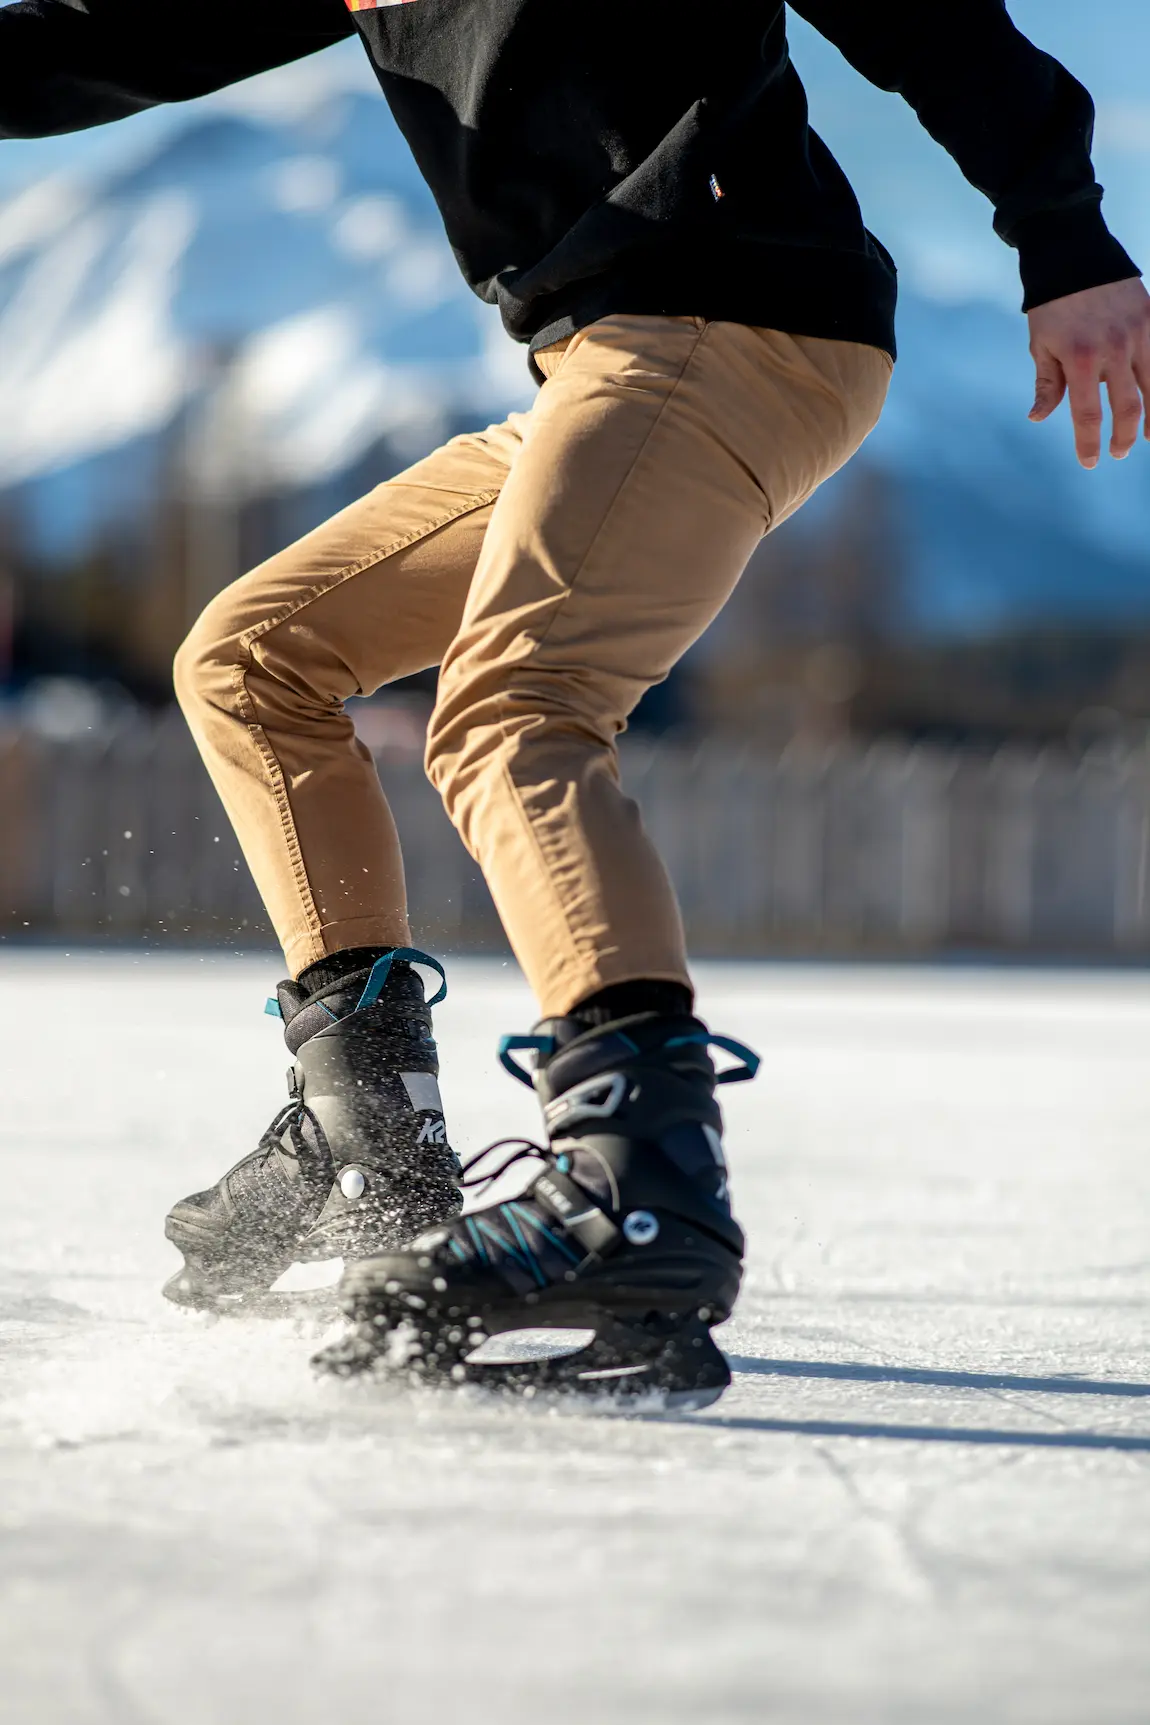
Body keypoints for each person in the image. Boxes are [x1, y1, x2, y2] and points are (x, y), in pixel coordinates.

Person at [3, 0, 1148, 1402]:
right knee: (252, 660)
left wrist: (1064, 236)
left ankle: (637, 1190)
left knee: (512, 711)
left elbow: (922, 14)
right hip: (597, 359)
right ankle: (375, 1135)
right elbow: (91, 43)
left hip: (732, 310)